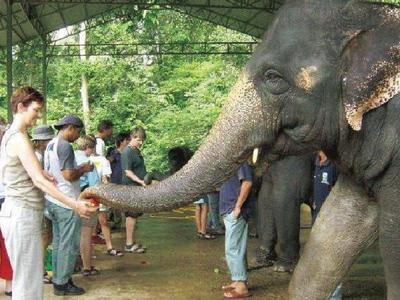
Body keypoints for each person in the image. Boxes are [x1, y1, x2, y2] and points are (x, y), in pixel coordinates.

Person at [0, 88, 96, 300]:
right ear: (20, 107)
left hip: (24, 212)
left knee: (30, 279)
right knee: (27, 283)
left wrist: (41, 172)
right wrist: (75, 204)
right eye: (36, 110)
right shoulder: (17, 137)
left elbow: (23, 169)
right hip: (21, 214)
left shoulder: (16, 135)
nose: (38, 115)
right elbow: (38, 181)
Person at [44, 114, 96, 296]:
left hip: (52, 199)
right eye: (78, 132)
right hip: (66, 201)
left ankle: (59, 278)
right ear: (70, 128)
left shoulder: (51, 143)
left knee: (59, 242)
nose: (78, 136)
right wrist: (83, 169)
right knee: (68, 244)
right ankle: (62, 283)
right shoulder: (65, 146)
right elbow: (68, 175)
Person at [220, 163, 253, 299]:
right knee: (237, 248)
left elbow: (247, 183)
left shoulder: (241, 163)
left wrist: (237, 207)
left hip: (235, 212)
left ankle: (241, 287)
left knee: (233, 248)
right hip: (230, 212)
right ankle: (239, 281)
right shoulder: (231, 164)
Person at [312, 150, 341, 299]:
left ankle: (334, 296)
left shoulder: (335, 165)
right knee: (319, 259)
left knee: (332, 259)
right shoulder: (316, 163)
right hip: (318, 219)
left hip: (332, 220)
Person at [32, 125, 56, 284]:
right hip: (39, 201)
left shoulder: (42, 154)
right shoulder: (36, 156)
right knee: (44, 236)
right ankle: (38, 272)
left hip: (43, 200)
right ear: (41, 141)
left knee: (47, 235)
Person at [75, 135, 102, 276]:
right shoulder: (87, 162)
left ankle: (74, 265)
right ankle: (87, 267)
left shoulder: (72, 157)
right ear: (88, 147)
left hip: (71, 199)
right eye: (93, 147)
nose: (93, 150)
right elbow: (94, 187)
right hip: (87, 200)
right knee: (86, 235)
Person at [121, 127, 147, 253]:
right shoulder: (127, 152)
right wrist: (141, 181)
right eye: (138, 139)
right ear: (132, 137)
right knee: (131, 215)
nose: (140, 143)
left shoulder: (136, 150)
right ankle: (129, 244)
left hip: (137, 187)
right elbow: (128, 171)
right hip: (131, 187)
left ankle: (131, 241)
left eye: (142, 140)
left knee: (135, 215)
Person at [107, 132, 130, 229]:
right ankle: (118, 222)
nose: (129, 141)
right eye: (127, 140)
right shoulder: (113, 152)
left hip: (126, 183)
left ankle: (126, 224)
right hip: (115, 183)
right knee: (116, 206)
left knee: (126, 205)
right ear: (122, 141)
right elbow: (106, 163)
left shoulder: (129, 153)